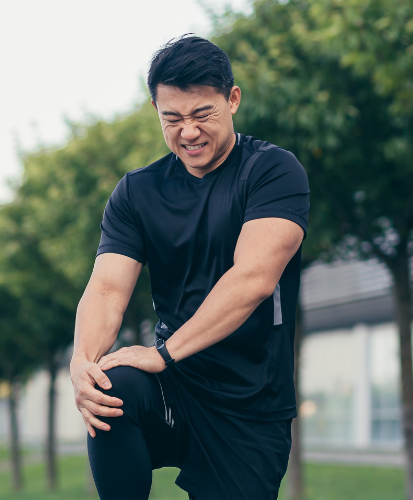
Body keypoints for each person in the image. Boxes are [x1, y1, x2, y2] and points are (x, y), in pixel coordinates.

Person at [70, 35, 310, 500]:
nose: (189, 132)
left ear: (232, 99)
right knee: (110, 387)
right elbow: (105, 291)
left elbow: (253, 279)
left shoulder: (273, 172)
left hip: (250, 405)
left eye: (203, 114)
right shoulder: (137, 193)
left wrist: (162, 353)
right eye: (172, 119)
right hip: (175, 388)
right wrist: (82, 363)